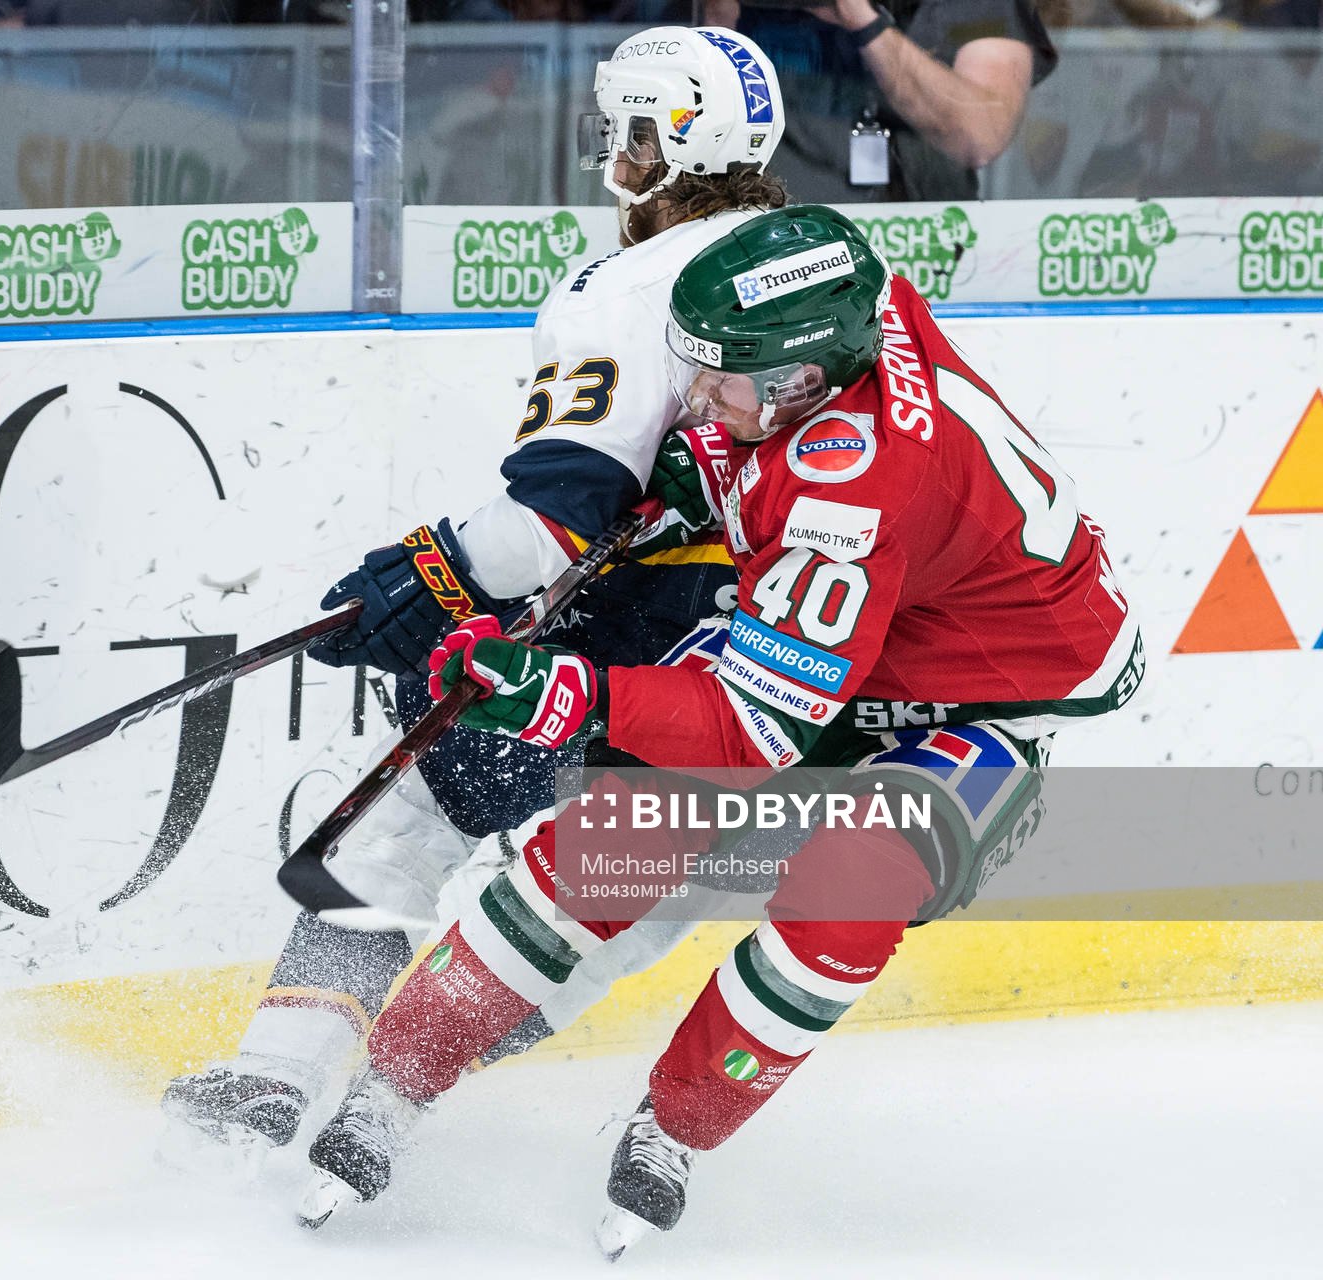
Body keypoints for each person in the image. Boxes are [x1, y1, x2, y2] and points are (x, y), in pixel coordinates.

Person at [298, 204, 1144, 1254]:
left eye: (723, 381)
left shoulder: (851, 489)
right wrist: (705, 466)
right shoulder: (851, 312)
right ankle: (392, 1085)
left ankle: (674, 1129)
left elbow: (753, 730)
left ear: (804, 381)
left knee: (850, 892)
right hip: (874, 622)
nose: (696, 396)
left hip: (973, 697)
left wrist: (570, 692)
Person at [159, 24, 792, 1160]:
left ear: (666, 138)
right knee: (617, 905)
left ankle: (279, 1078)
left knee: (405, 814)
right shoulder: (835, 262)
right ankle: (395, 1090)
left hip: (639, 640)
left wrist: (426, 571)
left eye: (626, 128)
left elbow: (549, 523)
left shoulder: (631, 282)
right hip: (797, 660)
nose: (614, 149)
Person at [701, 0, 1057, 202]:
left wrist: (861, 17)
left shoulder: (965, 8)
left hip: (915, 245)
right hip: (770, 231)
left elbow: (979, 136)